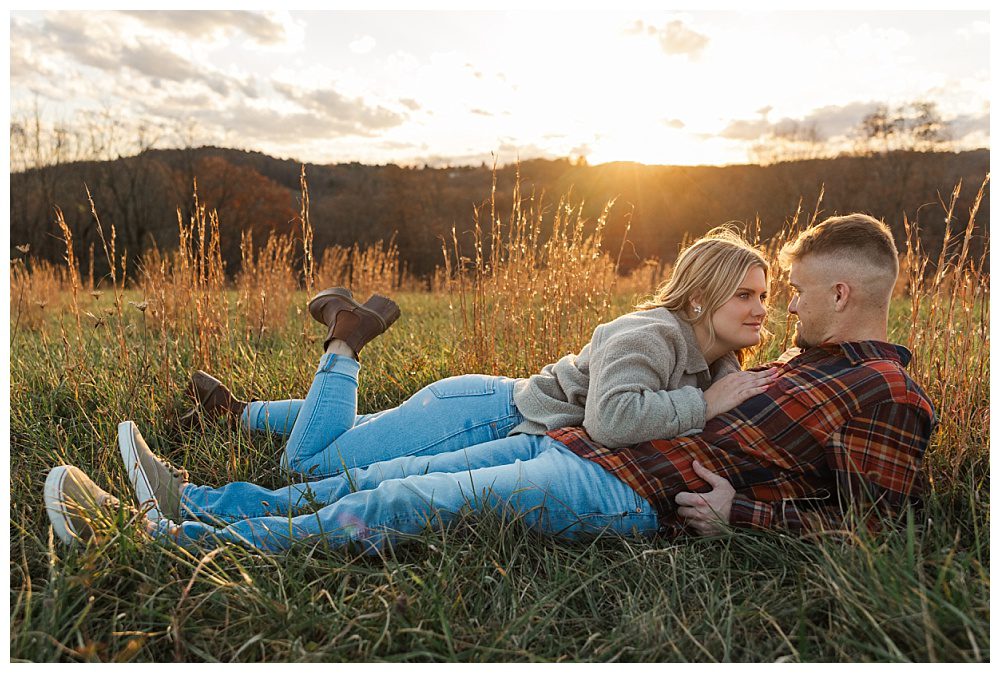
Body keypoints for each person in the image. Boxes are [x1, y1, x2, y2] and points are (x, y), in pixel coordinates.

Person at [44, 214, 934, 553]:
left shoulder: (885, 395)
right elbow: (659, 405)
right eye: (753, 294)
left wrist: (741, 511)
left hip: (614, 483)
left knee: (387, 500)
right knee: (363, 476)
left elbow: (873, 523)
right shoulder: (775, 359)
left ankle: (174, 539)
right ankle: (193, 502)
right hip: (552, 434)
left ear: (842, 293)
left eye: (790, 293)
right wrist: (709, 403)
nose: (778, 310)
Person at [181, 226, 775, 480]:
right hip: (475, 415)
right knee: (307, 470)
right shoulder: (650, 333)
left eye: (766, 296)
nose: (760, 309)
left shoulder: (716, 358)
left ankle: (238, 415)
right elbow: (610, 418)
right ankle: (346, 333)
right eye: (743, 295)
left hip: (480, 406)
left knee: (363, 429)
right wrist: (704, 404)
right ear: (700, 297)